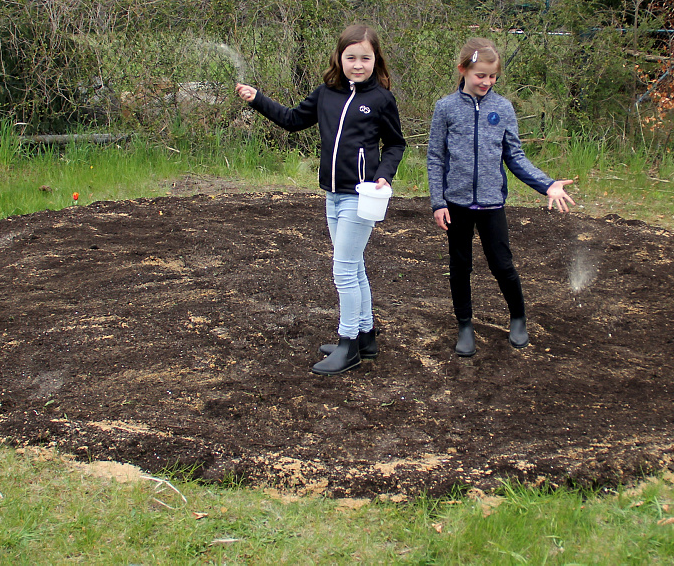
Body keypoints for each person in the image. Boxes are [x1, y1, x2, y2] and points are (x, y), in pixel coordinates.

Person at [235, 25, 405, 376]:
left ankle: (348, 346)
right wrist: (257, 99)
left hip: (361, 196)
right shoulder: (326, 94)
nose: (358, 65)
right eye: (351, 57)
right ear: (339, 58)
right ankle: (366, 337)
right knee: (353, 266)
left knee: (343, 270)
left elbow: (396, 144)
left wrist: (384, 174)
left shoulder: (381, 99)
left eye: (365, 58)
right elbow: (292, 120)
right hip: (332, 194)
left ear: (377, 60)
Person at [427, 37, 575, 357]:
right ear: (463, 70)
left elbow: (515, 157)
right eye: (480, 75)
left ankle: (518, 317)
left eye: (492, 76)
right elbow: (435, 159)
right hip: (456, 204)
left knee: (502, 265)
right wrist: (438, 202)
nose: (486, 82)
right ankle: (465, 325)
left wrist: (546, 184)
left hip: (492, 203)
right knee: (459, 266)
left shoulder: (503, 108)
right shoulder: (446, 108)